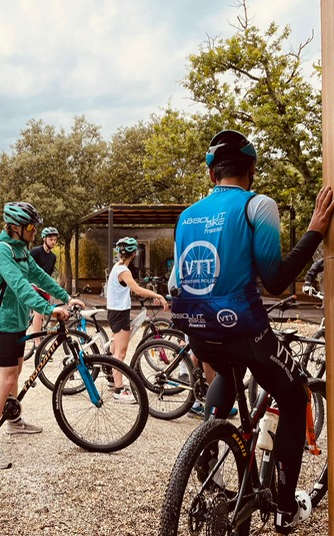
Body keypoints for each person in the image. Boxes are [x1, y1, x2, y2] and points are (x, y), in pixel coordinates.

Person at [168, 130, 334, 535]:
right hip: (243, 328)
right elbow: (275, 280)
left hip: (195, 327)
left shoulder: (187, 216)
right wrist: (314, 230)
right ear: (252, 170)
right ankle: (283, 509)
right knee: (294, 396)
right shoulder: (258, 206)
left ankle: (209, 447)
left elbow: (176, 281)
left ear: (211, 175)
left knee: (226, 371)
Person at [0, 202, 84, 470]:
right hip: (4, 321)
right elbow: (19, 284)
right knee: (6, 380)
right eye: (30, 226)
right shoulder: (2, 250)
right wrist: (49, 308)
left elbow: (39, 277)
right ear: (15, 227)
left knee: (17, 370)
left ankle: (13, 421)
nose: (34, 230)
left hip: (18, 319)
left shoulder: (21, 250)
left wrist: (66, 297)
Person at [106, 237, 168, 402]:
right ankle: (119, 390)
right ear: (134, 254)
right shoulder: (123, 271)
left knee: (114, 349)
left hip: (115, 311)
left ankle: (113, 379)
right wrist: (157, 295)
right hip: (119, 313)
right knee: (121, 352)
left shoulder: (117, 267)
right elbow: (136, 289)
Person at [29, 227, 60, 336]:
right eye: (51, 239)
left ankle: (39, 335)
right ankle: (37, 343)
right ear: (44, 239)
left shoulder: (53, 257)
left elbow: (48, 275)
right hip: (32, 287)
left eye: (55, 240)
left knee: (42, 315)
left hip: (43, 288)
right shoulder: (35, 252)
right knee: (39, 312)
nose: (53, 242)